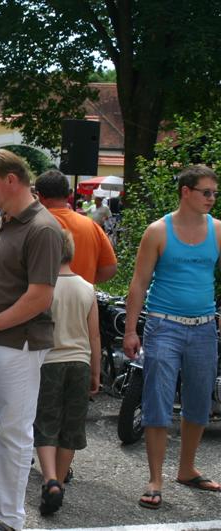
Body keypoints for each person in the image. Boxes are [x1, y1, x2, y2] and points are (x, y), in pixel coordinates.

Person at [0, 149, 62, 531]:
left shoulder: (42, 227)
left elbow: (40, 297)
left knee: (14, 433)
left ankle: (8, 519)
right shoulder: (7, 219)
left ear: (11, 180)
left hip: (15, 343)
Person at [123, 165, 221, 510]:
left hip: (205, 327)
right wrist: (131, 329)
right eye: (206, 192)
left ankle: (187, 469)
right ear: (185, 191)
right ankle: (155, 479)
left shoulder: (218, 230)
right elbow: (138, 283)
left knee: (199, 401)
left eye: (214, 193)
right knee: (157, 401)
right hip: (164, 326)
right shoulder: (158, 231)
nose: (212, 198)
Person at [33, 230, 100, 516]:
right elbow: (94, 335)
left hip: (48, 362)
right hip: (80, 363)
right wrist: (96, 370)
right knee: (70, 428)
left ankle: (49, 479)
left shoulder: (43, 288)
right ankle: (59, 480)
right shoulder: (87, 288)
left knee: (46, 422)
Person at [35, 169, 117, 284]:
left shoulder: (34, 224)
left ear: (39, 195)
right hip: (83, 299)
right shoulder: (91, 225)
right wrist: (84, 284)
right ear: (68, 194)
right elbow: (109, 270)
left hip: (43, 298)